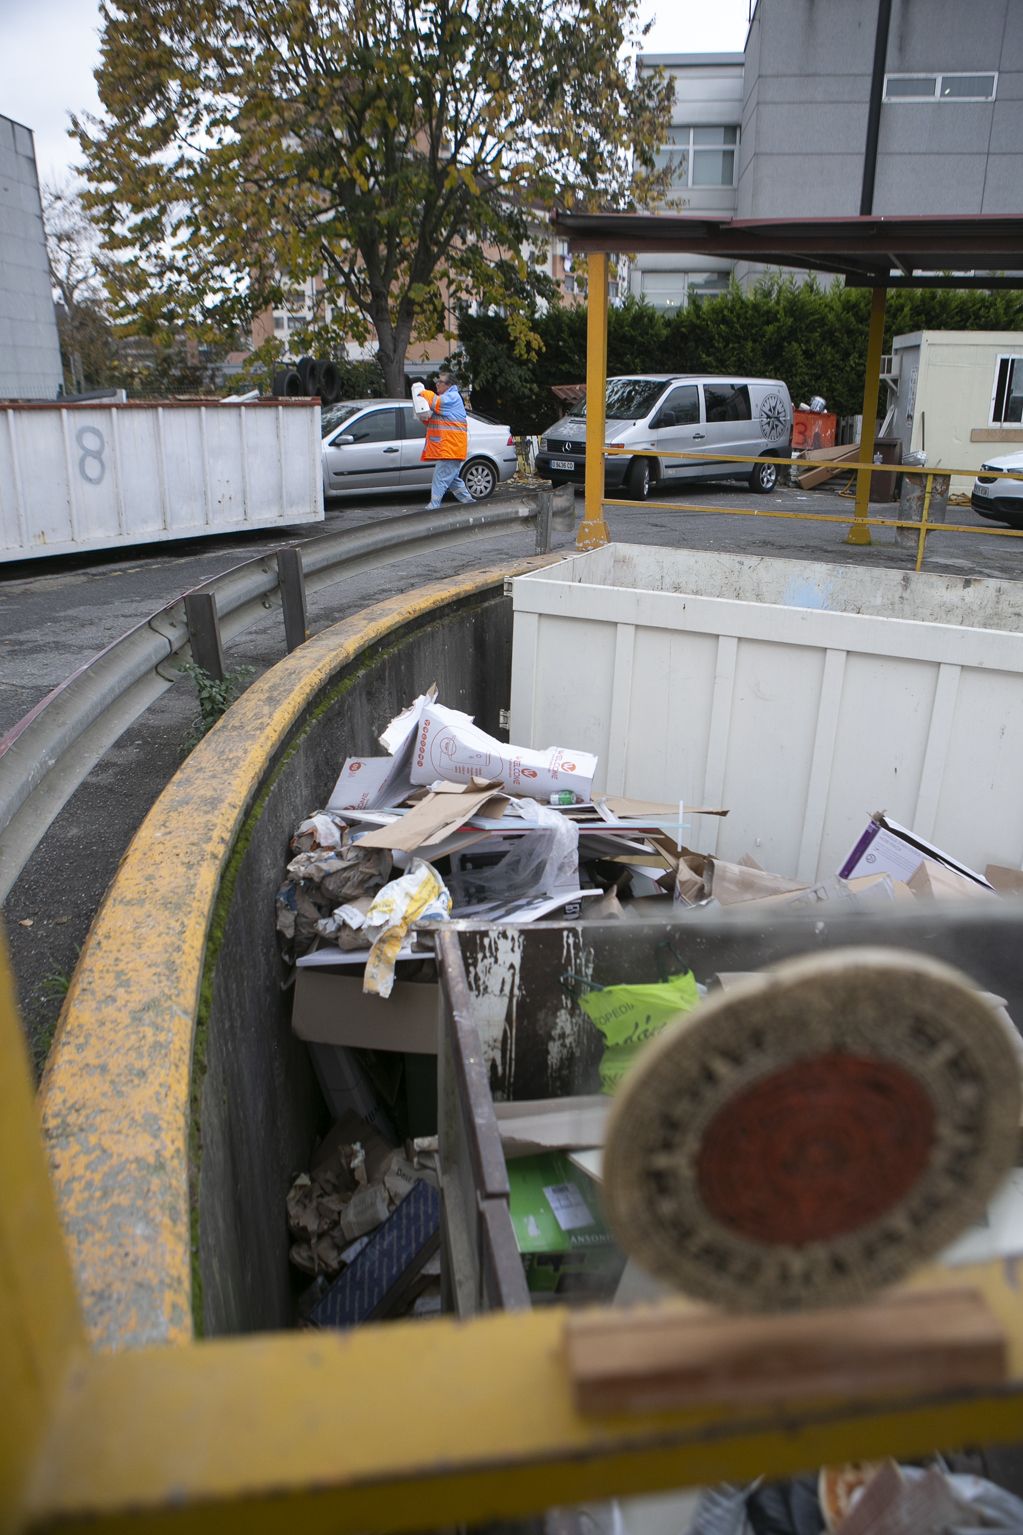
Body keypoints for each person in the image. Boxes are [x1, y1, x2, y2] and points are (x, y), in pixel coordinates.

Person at [418, 370, 475, 509]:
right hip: (451, 448)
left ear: (449, 385)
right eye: (437, 381)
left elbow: (435, 401)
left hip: (451, 448)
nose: (437, 384)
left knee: (440, 477)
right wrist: (424, 417)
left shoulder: (452, 397)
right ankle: (471, 504)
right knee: (453, 480)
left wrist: (423, 393)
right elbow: (434, 421)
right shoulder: (448, 399)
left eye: (440, 382)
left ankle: (433, 507)